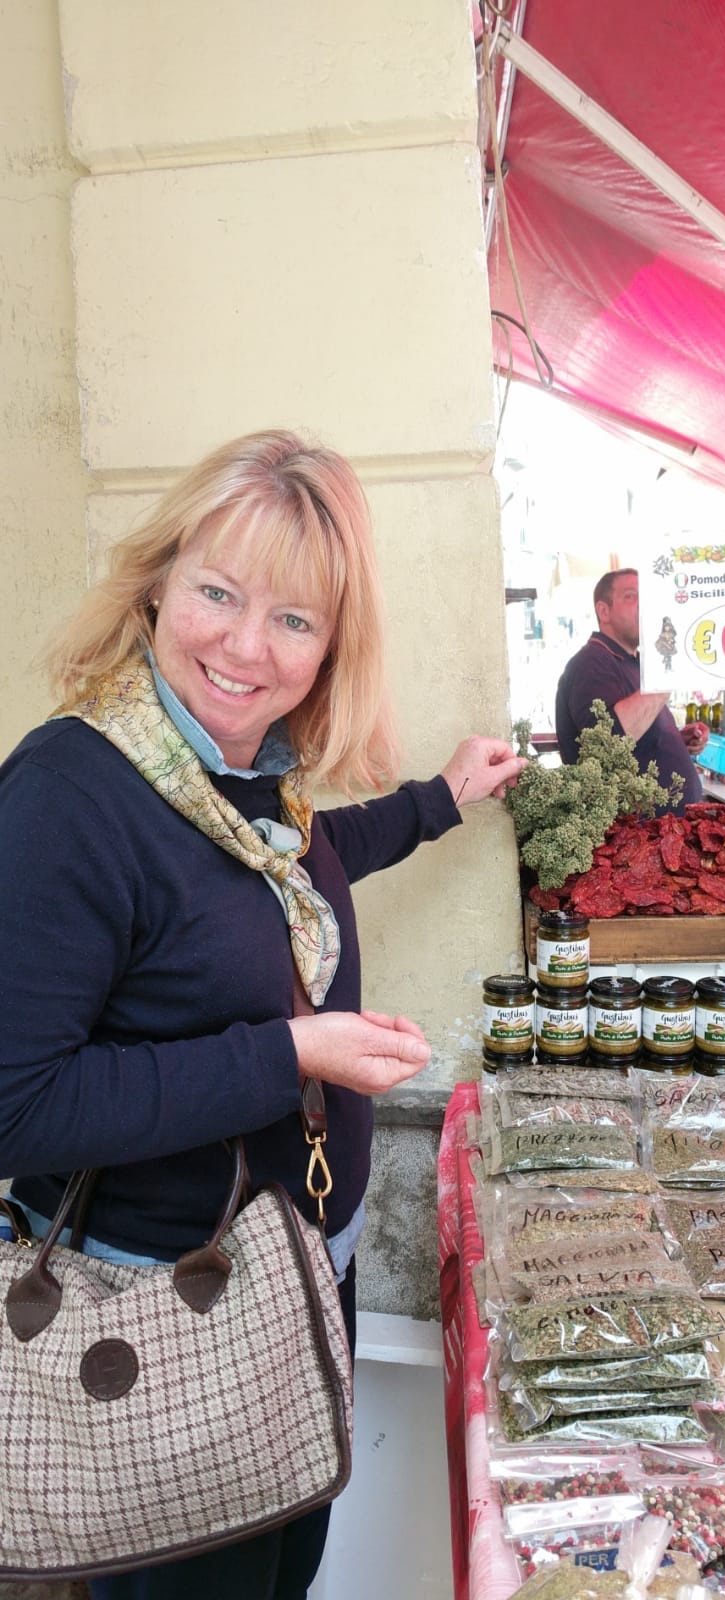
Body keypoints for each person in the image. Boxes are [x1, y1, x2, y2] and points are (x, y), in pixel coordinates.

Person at [0, 429, 526, 1600]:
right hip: (162, 1322)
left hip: (293, 1284)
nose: (245, 645)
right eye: (218, 593)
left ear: (333, 645)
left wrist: (440, 800)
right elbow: (16, 1105)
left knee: (283, 1572)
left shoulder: (248, 777)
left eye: (293, 619)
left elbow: (298, 860)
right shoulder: (70, 793)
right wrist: (292, 1052)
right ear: (157, 584)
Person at [554, 567, 707, 811]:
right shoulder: (590, 663)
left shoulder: (632, 662)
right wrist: (666, 678)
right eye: (630, 596)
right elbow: (607, 744)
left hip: (666, 832)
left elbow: (636, 735)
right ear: (604, 611)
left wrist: (676, 738)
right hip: (636, 838)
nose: (644, 604)